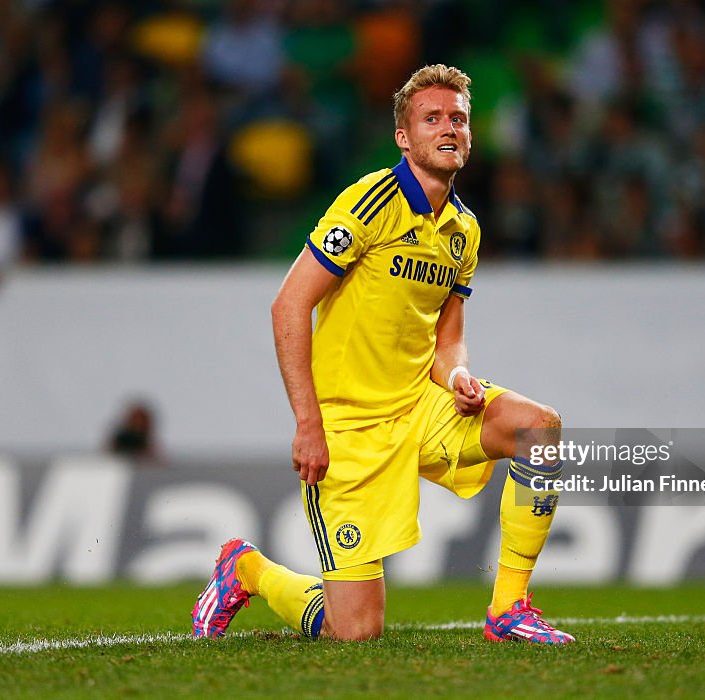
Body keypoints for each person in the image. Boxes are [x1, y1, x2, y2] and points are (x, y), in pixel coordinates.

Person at [191, 65, 572, 644]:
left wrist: (460, 375)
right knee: (356, 631)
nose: (449, 128)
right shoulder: (370, 204)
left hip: (420, 406)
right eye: (433, 118)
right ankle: (247, 570)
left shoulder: (463, 230)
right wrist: (308, 424)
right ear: (404, 136)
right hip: (348, 428)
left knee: (537, 428)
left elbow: (447, 339)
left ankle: (509, 609)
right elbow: (288, 307)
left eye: (460, 119)